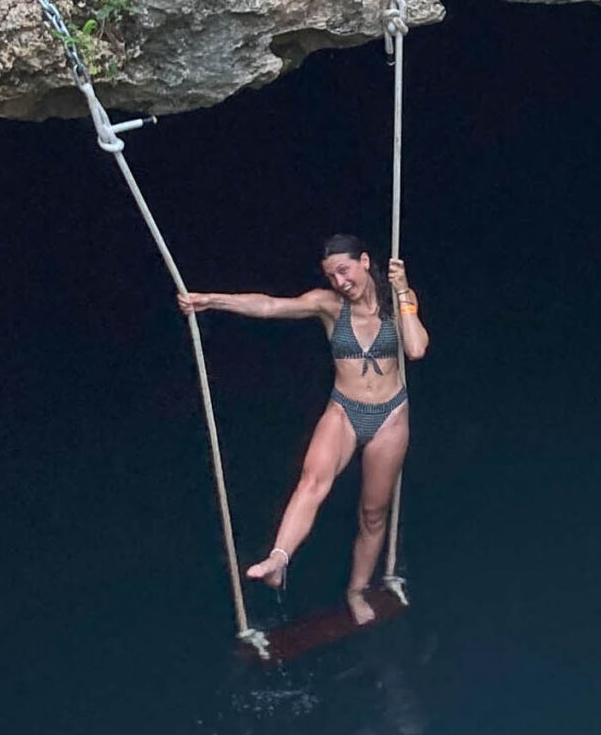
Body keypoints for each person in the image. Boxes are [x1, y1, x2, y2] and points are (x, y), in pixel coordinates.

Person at [178, 235, 427, 619]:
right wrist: (210, 300)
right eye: (332, 276)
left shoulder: (398, 302)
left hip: (390, 417)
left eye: (344, 271)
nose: (340, 282)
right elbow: (269, 306)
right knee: (312, 482)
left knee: (373, 514)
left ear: (363, 261)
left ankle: (356, 591)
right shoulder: (328, 306)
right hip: (344, 410)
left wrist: (404, 291)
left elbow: (415, 349)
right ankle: (279, 559)